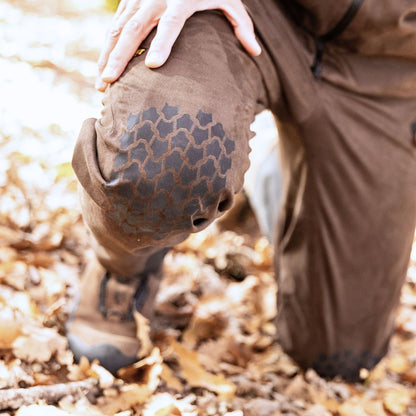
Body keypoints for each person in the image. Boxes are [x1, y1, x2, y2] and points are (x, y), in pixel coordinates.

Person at [67, 0, 416, 381]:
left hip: (390, 64)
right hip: (257, 11)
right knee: (163, 154)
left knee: (339, 361)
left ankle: (278, 183)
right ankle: (121, 266)